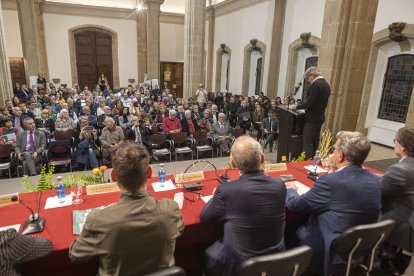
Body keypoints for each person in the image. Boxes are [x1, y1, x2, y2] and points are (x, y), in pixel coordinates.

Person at [69, 142, 184, 275]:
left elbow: (75, 254)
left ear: (113, 176)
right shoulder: (171, 208)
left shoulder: (98, 219)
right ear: (149, 173)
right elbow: (179, 229)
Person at [285, 131, 381, 275]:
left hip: (330, 245)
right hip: (360, 244)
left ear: (341, 155)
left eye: (334, 149)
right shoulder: (374, 179)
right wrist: (334, 173)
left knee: (287, 227)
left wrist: (290, 189)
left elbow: (296, 205)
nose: (332, 152)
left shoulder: (330, 182)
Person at [200, 136, 286, 275]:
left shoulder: (227, 190)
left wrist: (216, 194)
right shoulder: (279, 185)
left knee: (203, 251)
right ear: (263, 159)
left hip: (241, 267)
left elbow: (206, 218)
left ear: (233, 164)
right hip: (276, 262)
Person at [379, 127, 414, 275]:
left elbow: (374, 193)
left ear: (403, 146)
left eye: (395, 141)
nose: (395, 144)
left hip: (398, 224)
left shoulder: (400, 170)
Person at [293, 66, 330, 159]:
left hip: (312, 119)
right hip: (320, 117)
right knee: (315, 141)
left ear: (312, 75)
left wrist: (297, 106)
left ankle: (308, 163)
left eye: (308, 78)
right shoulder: (326, 84)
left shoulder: (315, 85)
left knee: (307, 142)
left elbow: (309, 103)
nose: (308, 80)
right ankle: (314, 162)